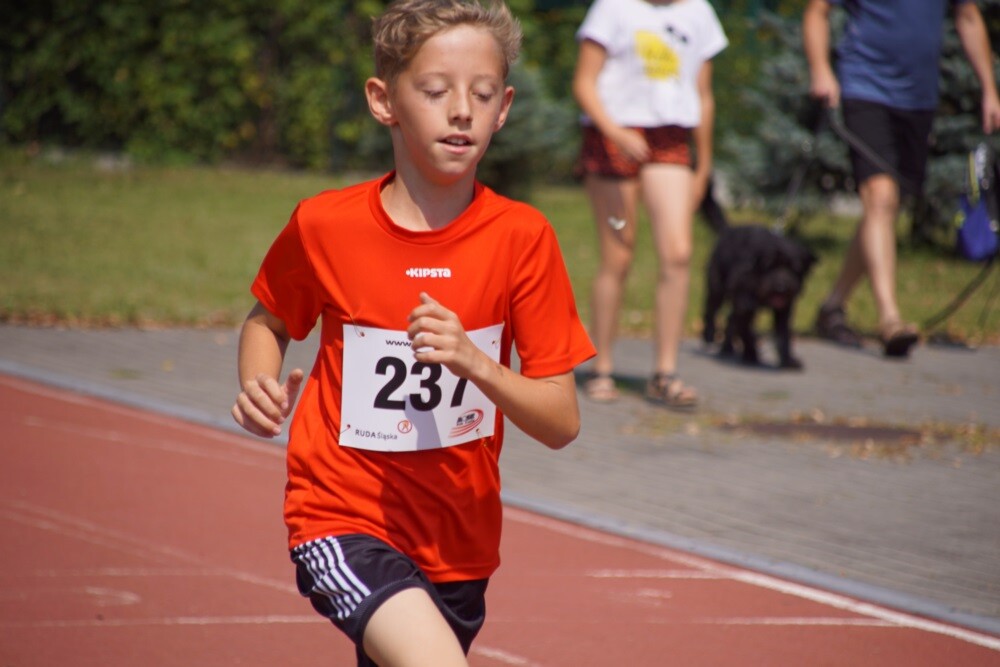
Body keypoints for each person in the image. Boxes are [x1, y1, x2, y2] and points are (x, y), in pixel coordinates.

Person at [230, 2, 595, 665]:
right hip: (342, 516)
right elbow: (270, 320)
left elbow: (561, 420)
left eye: (482, 94)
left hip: (459, 543)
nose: (461, 111)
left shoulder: (523, 238)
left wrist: (475, 362)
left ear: (504, 107)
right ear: (384, 100)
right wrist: (259, 384)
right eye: (435, 91)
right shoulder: (325, 225)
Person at [803, 0, 1000, 357]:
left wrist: (989, 88)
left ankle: (833, 304)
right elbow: (818, 10)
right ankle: (890, 319)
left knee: (886, 208)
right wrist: (820, 69)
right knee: (880, 197)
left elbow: (968, 16)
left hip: (919, 97)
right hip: (864, 85)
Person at [572, 0, 727, 408]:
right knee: (618, 255)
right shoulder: (612, 8)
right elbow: (584, 83)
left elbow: (704, 96)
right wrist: (615, 132)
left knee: (678, 253)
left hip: (671, 140)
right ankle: (601, 367)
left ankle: (665, 373)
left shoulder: (699, 12)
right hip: (613, 138)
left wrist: (703, 166)